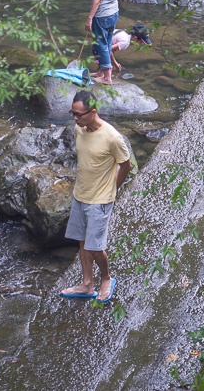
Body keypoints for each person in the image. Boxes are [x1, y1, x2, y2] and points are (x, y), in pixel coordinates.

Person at [60, 90, 133, 303]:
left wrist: (113, 189)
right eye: (72, 113)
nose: (75, 118)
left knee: (94, 246)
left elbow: (126, 165)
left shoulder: (112, 137)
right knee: (83, 242)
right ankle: (86, 284)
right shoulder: (78, 130)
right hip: (80, 195)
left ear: (93, 112)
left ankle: (106, 278)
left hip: (100, 200)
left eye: (79, 114)